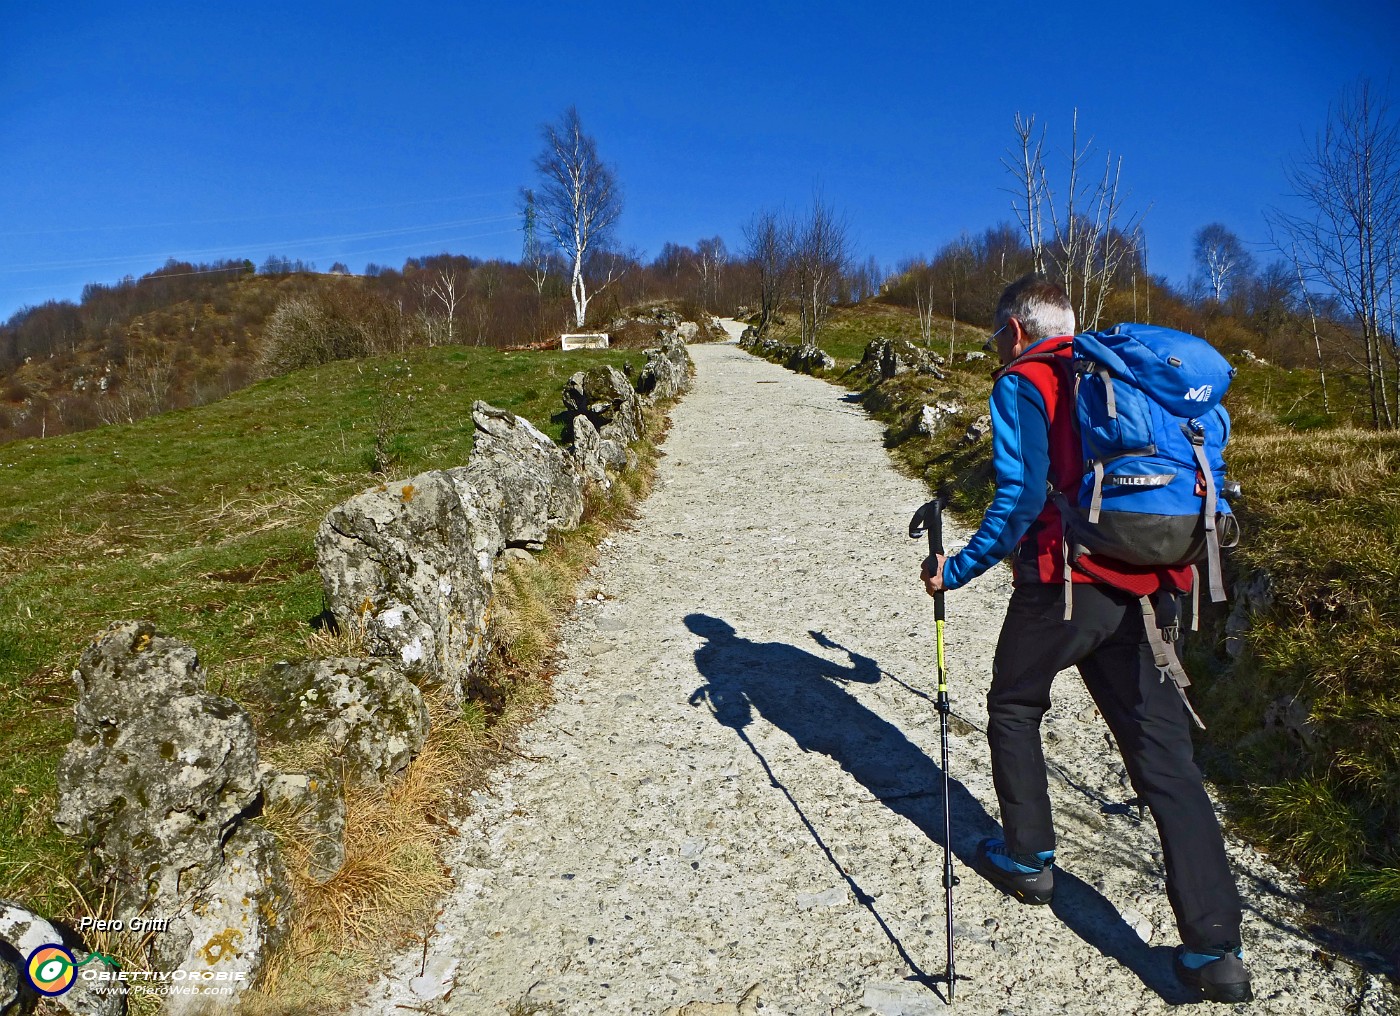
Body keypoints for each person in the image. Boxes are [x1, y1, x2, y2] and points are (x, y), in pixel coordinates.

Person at [919, 274, 1251, 1004]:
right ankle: (1215, 950)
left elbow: (1020, 497)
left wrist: (960, 569)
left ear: (1014, 329)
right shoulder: (1124, 374)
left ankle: (1028, 858)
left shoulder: (1026, 379)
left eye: (995, 334)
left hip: (1065, 586)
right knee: (1166, 764)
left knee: (1013, 705)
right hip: (1156, 589)